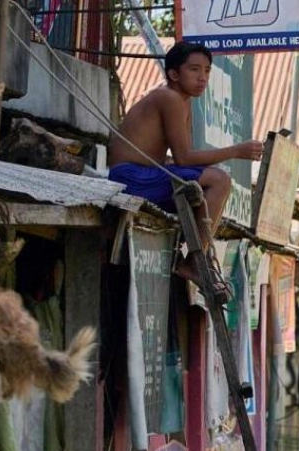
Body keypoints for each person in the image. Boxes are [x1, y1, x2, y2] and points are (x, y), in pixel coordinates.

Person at [107, 42, 263, 287]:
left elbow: (182, 158)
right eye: (194, 69)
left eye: (207, 71)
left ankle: (195, 255)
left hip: (147, 175)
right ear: (174, 74)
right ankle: (194, 262)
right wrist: (236, 150)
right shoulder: (168, 97)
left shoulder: (184, 101)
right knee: (219, 180)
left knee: (204, 189)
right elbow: (185, 158)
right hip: (130, 178)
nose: (202, 78)